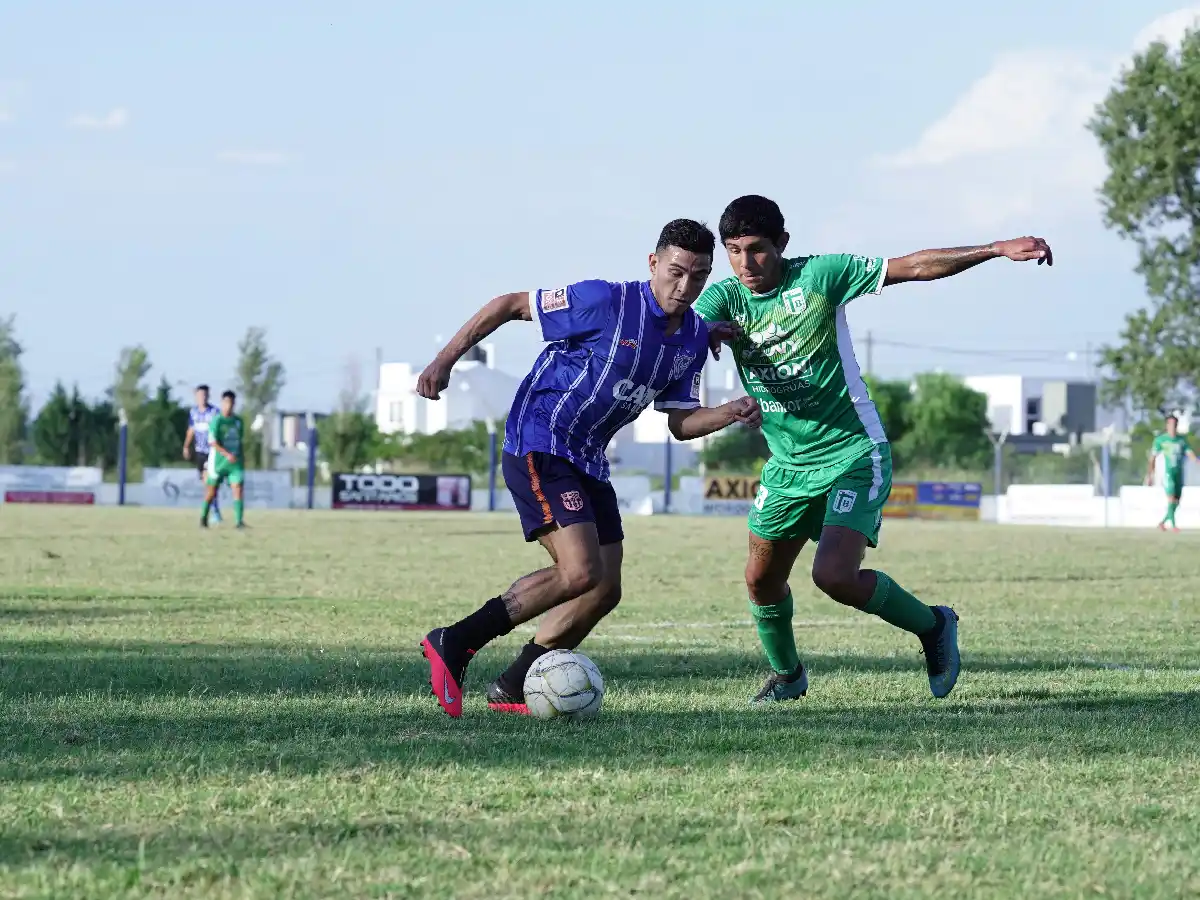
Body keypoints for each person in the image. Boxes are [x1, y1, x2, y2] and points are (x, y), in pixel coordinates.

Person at [696, 195, 1053, 703]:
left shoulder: (820, 276)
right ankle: (788, 676)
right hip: (787, 464)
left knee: (834, 576)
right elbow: (683, 325)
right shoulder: (726, 298)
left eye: (756, 250)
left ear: (782, 244)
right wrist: (698, 334)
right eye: (733, 251)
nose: (746, 264)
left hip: (853, 453)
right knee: (760, 581)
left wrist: (994, 249)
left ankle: (932, 626)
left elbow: (912, 266)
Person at [416, 218, 761, 718]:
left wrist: (730, 411)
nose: (684, 287)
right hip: (541, 439)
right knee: (579, 572)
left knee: (604, 589)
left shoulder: (690, 339)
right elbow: (509, 304)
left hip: (590, 461)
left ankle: (512, 687)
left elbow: (680, 424)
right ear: (653, 264)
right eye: (675, 271)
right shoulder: (604, 301)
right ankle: (455, 640)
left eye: (699, 276)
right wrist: (444, 361)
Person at [202, 390, 247, 530]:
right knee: (211, 492)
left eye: (231, 403)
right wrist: (226, 454)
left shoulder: (238, 422)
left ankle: (239, 522)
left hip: (235, 463)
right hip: (218, 462)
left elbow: (240, 442)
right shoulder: (217, 421)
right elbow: (212, 442)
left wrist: (242, 458)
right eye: (226, 403)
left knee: (238, 489)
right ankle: (203, 518)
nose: (229, 406)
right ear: (222, 403)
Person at [1145, 414, 1195, 532]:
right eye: (1170, 424)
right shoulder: (1161, 440)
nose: (1173, 426)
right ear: (1167, 426)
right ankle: (1173, 526)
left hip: (1179, 474)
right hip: (1168, 474)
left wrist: (1197, 461)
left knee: (1176, 502)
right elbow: (1152, 458)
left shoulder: (1181, 440)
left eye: (1175, 424)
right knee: (1171, 499)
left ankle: (1162, 523)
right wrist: (1150, 475)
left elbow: (1190, 454)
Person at [183, 384, 221, 524]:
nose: (202, 398)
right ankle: (214, 510)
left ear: (208, 396)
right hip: (199, 451)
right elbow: (191, 430)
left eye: (204, 395)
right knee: (207, 484)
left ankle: (215, 512)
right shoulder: (193, 413)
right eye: (199, 395)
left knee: (208, 482)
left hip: (212, 451)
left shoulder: (214, 412)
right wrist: (186, 446)